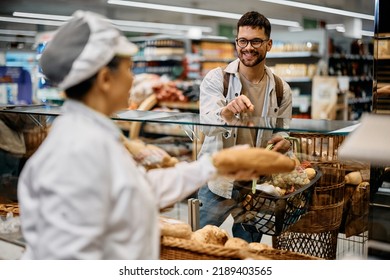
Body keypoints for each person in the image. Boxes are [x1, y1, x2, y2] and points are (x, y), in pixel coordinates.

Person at [16, 10, 271, 260]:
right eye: (129, 69)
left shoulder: (87, 133)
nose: (133, 79)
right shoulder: (81, 146)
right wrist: (213, 166)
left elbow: (137, 190)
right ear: (105, 79)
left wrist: (213, 165)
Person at [197, 11, 293, 242]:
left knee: (247, 249)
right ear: (236, 42)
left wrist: (283, 141)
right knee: (196, 245)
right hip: (216, 180)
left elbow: (283, 130)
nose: (248, 47)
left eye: (256, 41)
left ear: (268, 44)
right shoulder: (217, 79)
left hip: (255, 186)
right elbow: (207, 126)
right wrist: (227, 111)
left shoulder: (282, 89)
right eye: (243, 41)